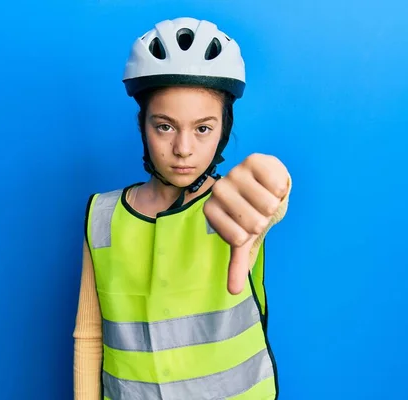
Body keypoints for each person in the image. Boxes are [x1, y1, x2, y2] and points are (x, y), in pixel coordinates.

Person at [73, 17, 292, 400]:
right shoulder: (102, 214)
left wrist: (275, 182)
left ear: (224, 128)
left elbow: (269, 203)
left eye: (203, 128)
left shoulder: (237, 208)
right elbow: (90, 336)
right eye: (165, 126)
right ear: (142, 124)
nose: (184, 149)